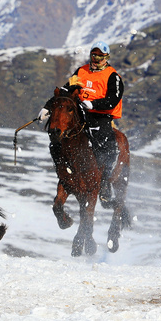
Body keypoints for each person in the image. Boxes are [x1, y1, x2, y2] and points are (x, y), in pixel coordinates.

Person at [57, 41, 124, 204]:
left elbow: (113, 100)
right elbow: (66, 90)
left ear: (106, 57)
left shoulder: (113, 76)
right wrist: (48, 106)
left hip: (101, 116)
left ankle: (106, 182)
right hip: (80, 114)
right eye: (94, 55)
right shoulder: (81, 71)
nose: (96, 59)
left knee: (107, 145)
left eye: (100, 56)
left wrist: (94, 104)